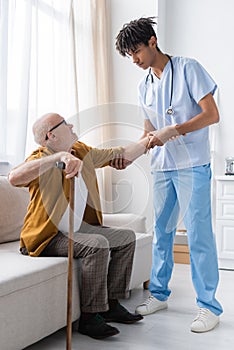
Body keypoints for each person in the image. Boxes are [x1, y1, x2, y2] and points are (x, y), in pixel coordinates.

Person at [115, 17, 223, 333]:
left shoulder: (189, 68)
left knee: (199, 236)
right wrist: (128, 153)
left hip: (192, 165)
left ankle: (208, 307)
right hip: (162, 167)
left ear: (152, 41)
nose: (134, 60)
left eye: (136, 51)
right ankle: (159, 294)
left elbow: (211, 115)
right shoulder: (143, 85)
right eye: (129, 56)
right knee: (161, 232)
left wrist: (174, 130)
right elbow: (148, 133)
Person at [8, 112, 149, 340]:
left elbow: (119, 153)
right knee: (97, 244)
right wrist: (58, 158)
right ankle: (90, 318)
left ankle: (111, 304)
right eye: (66, 123)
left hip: (78, 230)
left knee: (125, 238)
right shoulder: (41, 158)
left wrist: (150, 140)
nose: (72, 125)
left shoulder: (82, 151)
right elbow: (15, 177)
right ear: (51, 135)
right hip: (47, 237)